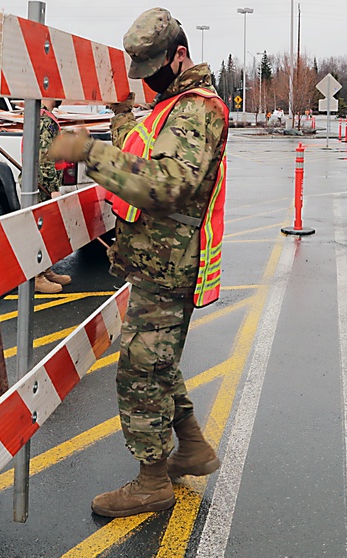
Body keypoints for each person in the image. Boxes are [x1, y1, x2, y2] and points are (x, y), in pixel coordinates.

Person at [48, 7, 227, 518]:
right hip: (157, 263)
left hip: (169, 267)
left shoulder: (197, 109)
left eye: (154, 71)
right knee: (158, 363)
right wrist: (122, 114)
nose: (148, 83)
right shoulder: (172, 107)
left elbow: (166, 184)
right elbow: (145, 143)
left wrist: (90, 152)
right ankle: (191, 447)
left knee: (140, 374)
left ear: (180, 56)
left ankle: (152, 481)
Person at [34, 98, 72, 294]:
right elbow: (43, 157)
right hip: (41, 186)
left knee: (46, 230)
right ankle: (37, 277)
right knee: (39, 230)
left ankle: (45, 269)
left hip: (44, 184)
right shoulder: (44, 120)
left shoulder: (46, 118)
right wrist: (52, 187)